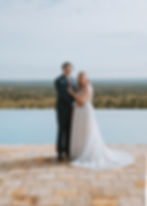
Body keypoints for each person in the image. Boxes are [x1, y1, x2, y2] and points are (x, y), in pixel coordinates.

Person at [68, 72, 133, 170]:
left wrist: (72, 93)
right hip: (80, 112)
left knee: (88, 131)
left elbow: (83, 99)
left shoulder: (88, 87)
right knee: (80, 132)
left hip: (85, 112)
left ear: (86, 78)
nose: (81, 79)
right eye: (79, 78)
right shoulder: (81, 87)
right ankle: (80, 151)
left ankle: (88, 152)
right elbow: (79, 100)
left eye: (82, 77)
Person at [54, 62, 76, 161]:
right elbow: (63, 94)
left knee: (69, 130)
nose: (68, 70)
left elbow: (76, 92)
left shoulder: (74, 80)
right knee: (61, 130)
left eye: (70, 69)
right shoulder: (58, 80)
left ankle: (67, 150)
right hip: (62, 109)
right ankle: (59, 152)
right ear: (63, 69)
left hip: (73, 109)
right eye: (66, 69)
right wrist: (73, 101)